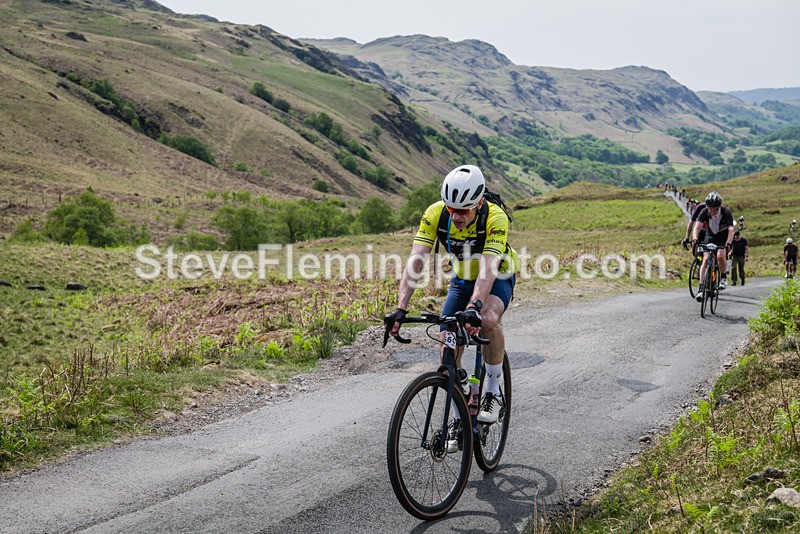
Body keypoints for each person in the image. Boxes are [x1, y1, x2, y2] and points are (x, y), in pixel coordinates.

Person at [385, 165, 519, 433]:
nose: (456, 216)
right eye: (451, 209)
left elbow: (489, 268)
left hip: (498, 275)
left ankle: (491, 391)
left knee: (488, 320)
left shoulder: (495, 218)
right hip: (461, 279)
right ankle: (460, 399)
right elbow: (416, 261)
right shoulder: (435, 213)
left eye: (463, 210)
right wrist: (400, 308)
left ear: (479, 202)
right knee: (447, 333)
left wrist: (475, 306)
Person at [693, 192, 735, 300]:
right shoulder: (704, 212)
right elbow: (697, 227)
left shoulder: (726, 211)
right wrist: (695, 239)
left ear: (719, 206)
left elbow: (731, 229)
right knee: (705, 260)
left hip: (723, 237)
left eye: (715, 209)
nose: (713, 211)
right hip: (710, 236)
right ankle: (701, 289)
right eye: (710, 209)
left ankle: (724, 277)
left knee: (721, 255)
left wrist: (728, 243)